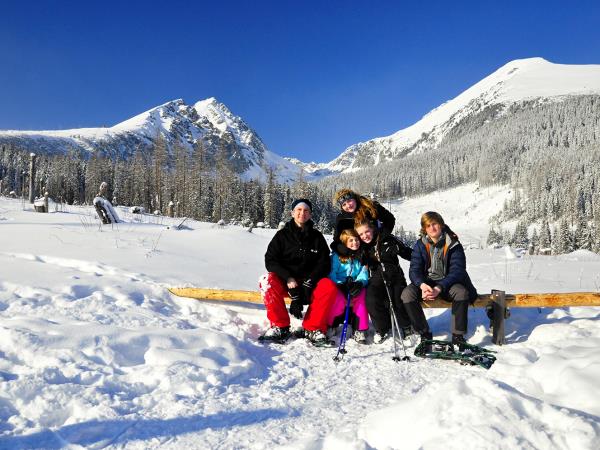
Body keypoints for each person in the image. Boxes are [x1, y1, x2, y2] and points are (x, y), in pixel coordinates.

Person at [259, 198, 337, 345]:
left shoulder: (317, 237)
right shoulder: (282, 236)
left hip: (310, 284)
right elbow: (271, 260)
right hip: (287, 283)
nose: (302, 213)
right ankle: (280, 326)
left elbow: (324, 263)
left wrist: (310, 281)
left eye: (306, 210)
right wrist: (288, 277)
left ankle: (313, 328)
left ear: (311, 214)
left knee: (329, 286)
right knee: (266, 280)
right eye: (299, 210)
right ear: (292, 213)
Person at [401, 211, 478, 347]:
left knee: (461, 292)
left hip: (448, 283)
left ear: (441, 224)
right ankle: (424, 333)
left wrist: (440, 287)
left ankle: (458, 336)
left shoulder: (453, 244)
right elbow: (414, 270)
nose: (432, 228)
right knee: (407, 294)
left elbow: (458, 270)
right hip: (427, 283)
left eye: (434, 224)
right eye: (428, 225)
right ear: (424, 229)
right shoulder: (420, 245)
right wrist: (422, 285)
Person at [354, 220, 414, 344]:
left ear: (373, 229)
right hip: (377, 278)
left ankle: (406, 326)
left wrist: (421, 257)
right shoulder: (363, 246)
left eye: (367, 232)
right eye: (361, 234)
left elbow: (407, 252)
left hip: (395, 276)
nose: (365, 236)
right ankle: (382, 328)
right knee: (371, 299)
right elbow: (356, 259)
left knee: (398, 298)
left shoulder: (388, 239)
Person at [326, 229, 370, 344]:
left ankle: (359, 329)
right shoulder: (337, 256)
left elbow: (363, 272)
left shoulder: (361, 255)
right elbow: (332, 273)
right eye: (351, 240)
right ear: (345, 242)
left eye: (356, 239)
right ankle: (331, 324)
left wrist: (360, 283)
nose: (355, 242)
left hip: (355, 285)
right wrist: (340, 285)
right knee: (338, 299)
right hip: (340, 285)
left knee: (362, 298)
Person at [331, 189, 396, 250]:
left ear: (355, 199)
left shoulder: (370, 207)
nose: (348, 205)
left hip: (378, 245)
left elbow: (390, 219)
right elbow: (337, 239)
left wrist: (382, 236)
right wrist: (344, 249)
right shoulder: (342, 218)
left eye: (349, 201)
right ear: (341, 207)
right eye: (344, 204)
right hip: (359, 250)